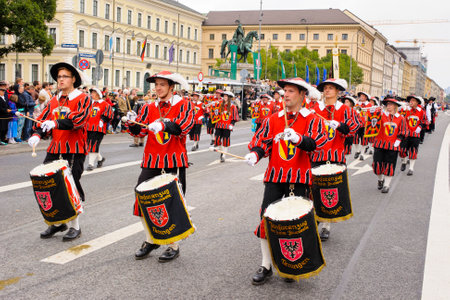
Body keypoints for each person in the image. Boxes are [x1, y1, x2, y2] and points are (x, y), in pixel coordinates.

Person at [245, 78, 327, 285]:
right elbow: (263, 142)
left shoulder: (313, 119)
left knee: (294, 224)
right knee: (266, 218)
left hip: (299, 179)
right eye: (284, 91)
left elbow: (317, 145)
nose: (286, 95)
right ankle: (266, 265)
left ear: (302, 95)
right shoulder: (274, 119)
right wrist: (256, 154)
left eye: (291, 91)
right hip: (275, 177)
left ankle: (292, 264)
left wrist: (299, 139)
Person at [123, 71, 194, 262]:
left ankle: (173, 245)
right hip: (152, 159)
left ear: (172, 87)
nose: (158, 88)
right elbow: (141, 130)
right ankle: (150, 239)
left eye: (162, 85)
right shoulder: (148, 107)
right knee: (142, 198)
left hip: (173, 160)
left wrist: (164, 124)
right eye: (156, 85)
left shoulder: (184, 104)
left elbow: (184, 127)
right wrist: (132, 122)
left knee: (172, 202)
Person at [28, 62, 92, 241]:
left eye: (64, 76)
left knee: (70, 185)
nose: (60, 79)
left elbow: (79, 120)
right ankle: (57, 223)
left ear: (73, 79)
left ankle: (75, 226)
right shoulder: (54, 99)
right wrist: (37, 134)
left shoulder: (83, 98)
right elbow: (43, 119)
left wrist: (56, 123)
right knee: (49, 184)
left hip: (74, 149)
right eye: (59, 76)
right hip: (55, 148)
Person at [311, 78, 361, 241]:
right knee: (313, 190)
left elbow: (354, 127)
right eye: (325, 88)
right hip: (316, 155)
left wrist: (340, 126)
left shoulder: (345, 110)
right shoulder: (314, 108)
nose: (327, 90)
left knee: (329, 192)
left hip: (335, 156)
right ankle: (315, 219)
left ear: (338, 91)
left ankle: (326, 225)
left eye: (331, 88)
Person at [372, 96, 407, 193]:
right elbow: (372, 123)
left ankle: (386, 185)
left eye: (391, 104)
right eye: (387, 104)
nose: (388, 106)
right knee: (377, 165)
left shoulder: (400, 118)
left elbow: (403, 131)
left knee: (390, 165)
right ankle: (380, 180)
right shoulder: (381, 115)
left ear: (395, 106)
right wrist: (375, 112)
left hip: (392, 146)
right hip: (379, 144)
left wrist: (399, 140)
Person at [86, 88, 113, 171]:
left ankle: (90, 164)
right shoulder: (90, 104)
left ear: (98, 94)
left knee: (94, 144)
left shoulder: (105, 104)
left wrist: (103, 120)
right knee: (90, 145)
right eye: (91, 93)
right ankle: (100, 159)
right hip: (88, 127)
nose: (91, 94)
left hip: (98, 128)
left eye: (93, 93)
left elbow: (109, 114)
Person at [399, 95, 427, 176]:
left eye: (413, 101)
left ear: (417, 102)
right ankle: (404, 161)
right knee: (402, 150)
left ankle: (411, 168)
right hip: (405, 133)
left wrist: (420, 127)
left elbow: (425, 121)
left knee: (413, 151)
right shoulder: (406, 110)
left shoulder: (421, 111)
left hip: (415, 135)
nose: (411, 102)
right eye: (410, 100)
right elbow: (399, 118)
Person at [214, 91, 239, 163]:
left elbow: (234, 117)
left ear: (229, 98)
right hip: (219, 125)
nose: (224, 97)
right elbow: (214, 113)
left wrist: (232, 124)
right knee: (217, 140)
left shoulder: (232, 106)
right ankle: (222, 152)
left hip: (227, 126)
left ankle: (223, 155)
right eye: (224, 96)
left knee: (225, 141)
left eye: (226, 96)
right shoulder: (219, 105)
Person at [353, 91, 373, 160]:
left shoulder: (369, 104)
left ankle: (362, 153)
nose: (361, 97)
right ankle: (357, 150)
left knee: (364, 140)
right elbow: (354, 111)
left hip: (365, 124)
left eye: (363, 96)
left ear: (366, 97)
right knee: (355, 138)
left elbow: (371, 113)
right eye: (360, 96)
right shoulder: (357, 104)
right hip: (358, 123)